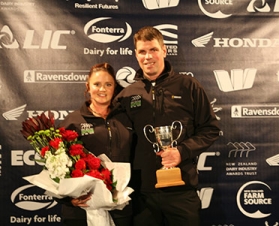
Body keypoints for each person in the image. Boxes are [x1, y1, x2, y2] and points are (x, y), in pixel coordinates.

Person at [115, 26, 221, 226]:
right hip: (142, 194)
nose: (148, 57)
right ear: (136, 55)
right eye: (142, 52)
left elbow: (210, 128)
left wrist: (182, 151)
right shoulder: (127, 95)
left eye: (153, 50)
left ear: (164, 51)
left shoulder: (188, 86)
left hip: (180, 190)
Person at [57, 63, 134, 226]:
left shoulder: (127, 118)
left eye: (108, 84)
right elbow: (56, 165)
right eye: (97, 84)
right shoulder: (73, 121)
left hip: (121, 209)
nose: (102, 89)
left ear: (115, 87)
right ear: (88, 86)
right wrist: (69, 199)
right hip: (82, 209)